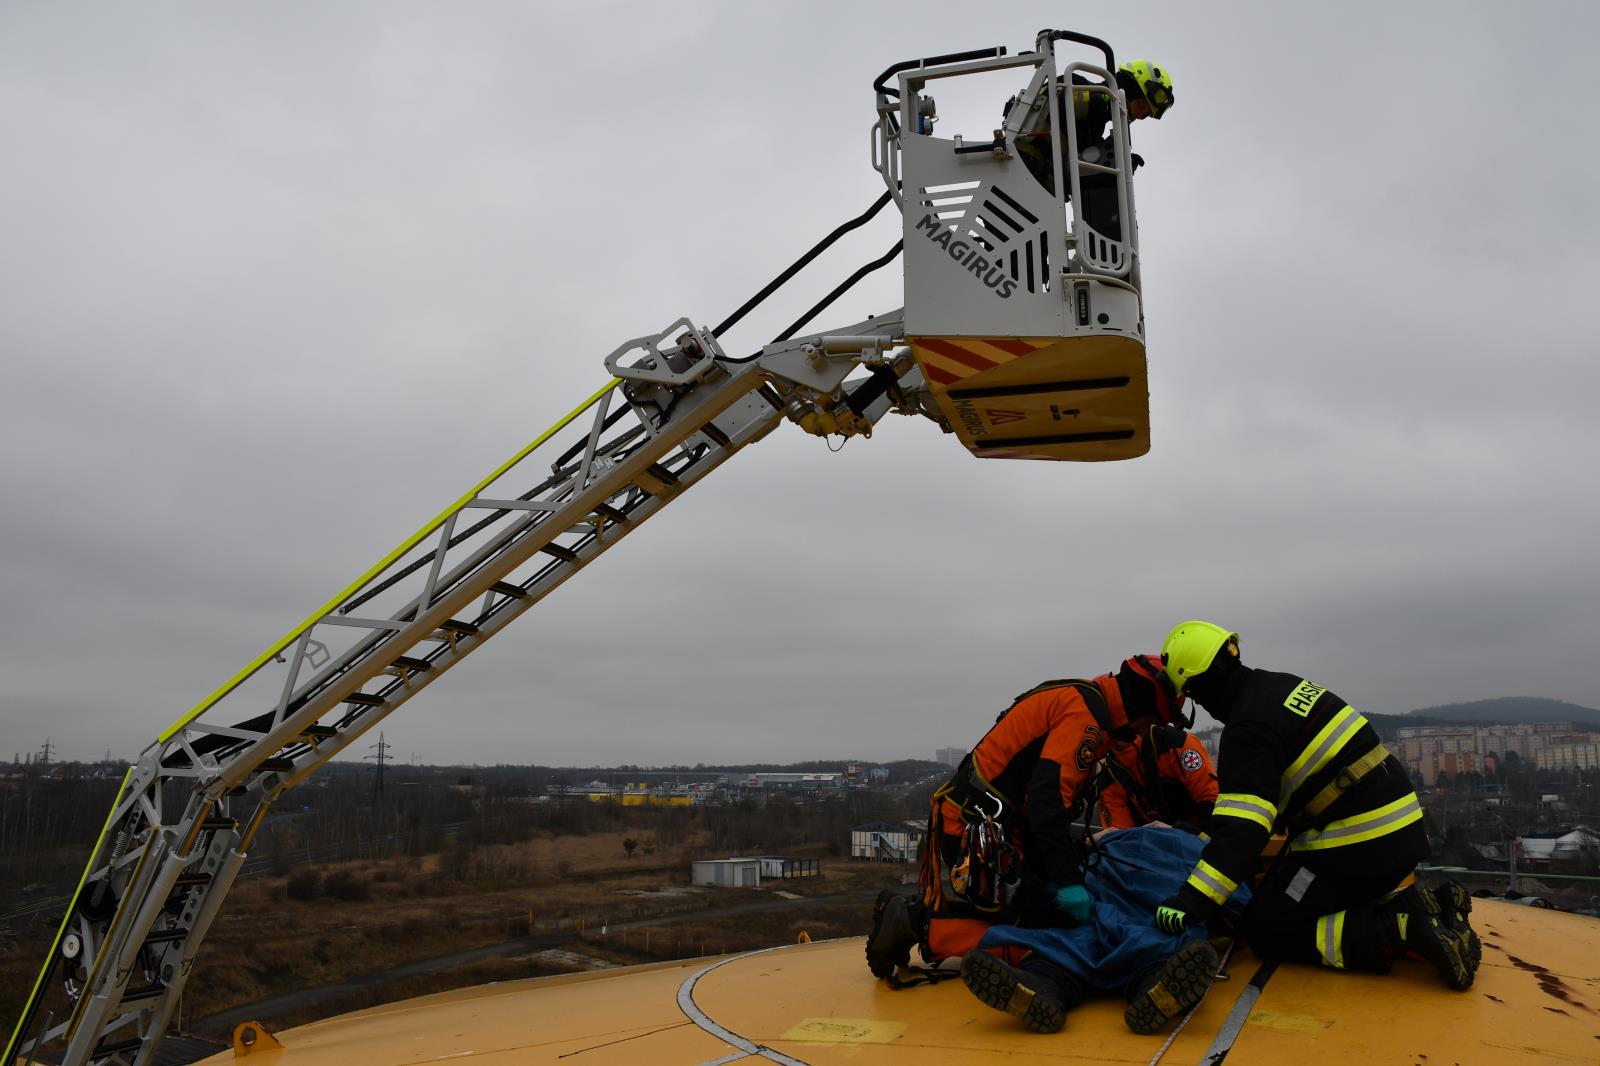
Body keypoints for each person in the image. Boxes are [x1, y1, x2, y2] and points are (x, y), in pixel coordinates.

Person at [1152, 621, 1481, 990]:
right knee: (1291, 890)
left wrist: (1190, 901)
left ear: (1201, 686)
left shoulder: (1245, 729)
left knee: (1266, 928)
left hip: (1356, 846)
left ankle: (1400, 928)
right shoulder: (1282, 686)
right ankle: (1437, 908)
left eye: (1194, 696)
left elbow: (1244, 833)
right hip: (1399, 832)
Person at [865, 654, 1186, 981]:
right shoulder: (1085, 715)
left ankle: (914, 920)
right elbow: (1049, 800)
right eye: (1149, 723)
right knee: (1033, 935)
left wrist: (1049, 873)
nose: (1140, 735)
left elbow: (1037, 801)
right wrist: (1066, 881)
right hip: (976, 829)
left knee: (1040, 914)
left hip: (996, 826)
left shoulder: (1088, 704)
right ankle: (914, 922)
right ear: (1141, 704)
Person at [958, 825, 1242, 1035]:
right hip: (1153, 915)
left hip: (1100, 907)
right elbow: (1233, 892)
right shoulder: (1196, 846)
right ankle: (1157, 989)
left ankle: (1042, 985)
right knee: (1156, 950)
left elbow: (1078, 858)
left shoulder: (1111, 836)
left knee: (1068, 947)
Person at [1010, 59, 1174, 239]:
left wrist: (1115, 162)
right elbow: (1058, 102)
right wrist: (1100, 101)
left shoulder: (1095, 129)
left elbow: (1081, 168)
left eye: (1142, 116)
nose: (1135, 116)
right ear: (1128, 88)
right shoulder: (1077, 84)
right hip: (1018, 178)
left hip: (1041, 196)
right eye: (1140, 106)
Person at [1097, 722, 1217, 832]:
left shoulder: (1174, 743)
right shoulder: (1108, 780)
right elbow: (1121, 837)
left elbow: (1211, 799)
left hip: (1204, 838)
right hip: (1155, 848)